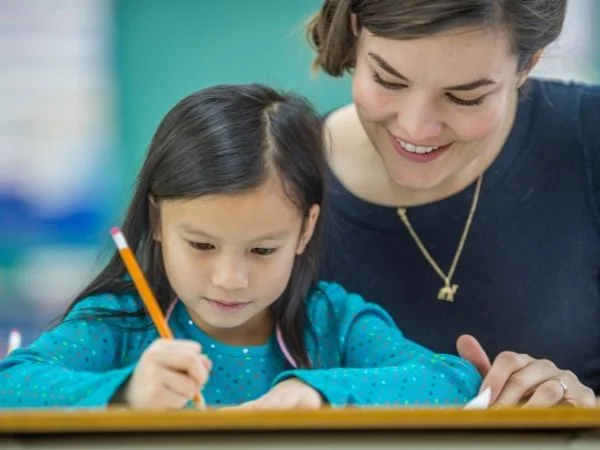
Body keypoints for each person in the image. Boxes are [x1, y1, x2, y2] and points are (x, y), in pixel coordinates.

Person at [0, 84, 481, 410]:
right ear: (157, 221)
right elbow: (10, 384)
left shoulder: (331, 323)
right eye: (202, 244)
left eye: (262, 251)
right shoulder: (121, 323)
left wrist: (315, 392)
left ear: (306, 230)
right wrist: (126, 389)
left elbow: (453, 380)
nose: (230, 278)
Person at [307, 0, 599, 408]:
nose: (415, 127)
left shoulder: (588, 138)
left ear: (526, 66)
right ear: (355, 31)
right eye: (388, 80)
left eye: (465, 97)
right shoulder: (280, 182)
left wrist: (587, 418)